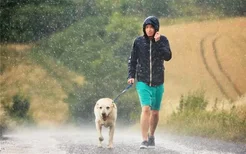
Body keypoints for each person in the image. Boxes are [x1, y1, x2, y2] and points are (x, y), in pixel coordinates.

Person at [127, 16, 172, 149]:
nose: (149, 30)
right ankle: (144, 140)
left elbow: (168, 56)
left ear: (156, 28)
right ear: (144, 29)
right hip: (143, 81)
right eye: (146, 27)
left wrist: (158, 43)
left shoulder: (163, 40)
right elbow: (133, 59)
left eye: (151, 27)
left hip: (158, 81)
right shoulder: (139, 42)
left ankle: (151, 135)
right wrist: (131, 75)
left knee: (155, 112)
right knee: (146, 109)